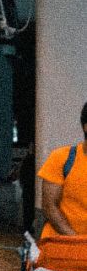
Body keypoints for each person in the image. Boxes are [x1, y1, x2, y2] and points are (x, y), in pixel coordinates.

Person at [38, 102, 87, 238]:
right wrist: (77, 241)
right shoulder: (62, 158)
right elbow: (49, 206)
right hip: (63, 244)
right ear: (85, 127)